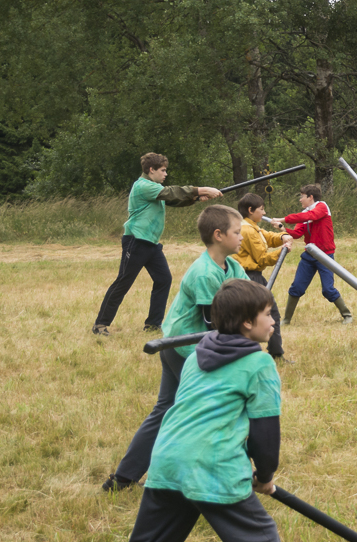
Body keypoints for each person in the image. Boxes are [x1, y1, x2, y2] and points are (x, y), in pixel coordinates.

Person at [64, 279, 303, 542]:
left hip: (167, 464)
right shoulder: (259, 364)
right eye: (267, 314)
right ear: (246, 323)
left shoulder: (195, 358)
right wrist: (265, 476)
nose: (273, 320)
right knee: (261, 539)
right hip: (213, 469)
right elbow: (265, 435)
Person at [101, 205, 248, 492]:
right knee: (211, 412)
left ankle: (123, 478)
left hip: (188, 347)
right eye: (237, 232)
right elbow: (215, 325)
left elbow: (247, 299)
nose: (242, 237)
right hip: (186, 350)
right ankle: (207, 478)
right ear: (218, 235)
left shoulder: (233, 267)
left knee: (165, 410)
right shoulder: (204, 273)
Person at [92, 152, 220, 335]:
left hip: (151, 244)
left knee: (163, 280)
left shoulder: (154, 188)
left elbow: (172, 199)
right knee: (123, 282)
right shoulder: (143, 186)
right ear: (151, 170)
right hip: (136, 241)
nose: (166, 174)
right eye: (163, 170)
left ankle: (153, 324)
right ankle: (100, 325)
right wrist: (201, 189)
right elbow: (171, 192)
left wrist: (197, 198)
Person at [233, 193, 294, 360]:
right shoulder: (247, 230)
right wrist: (282, 251)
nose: (264, 212)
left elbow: (267, 237)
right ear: (250, 210)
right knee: (269, 314)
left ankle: (273, 352)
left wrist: (282, 236)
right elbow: (262, 259)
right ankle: (273, 354)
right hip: (250, 278)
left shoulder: (251, 226)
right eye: (261, 209)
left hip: (251, 277)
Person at [280, 183, 352, 325]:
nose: (300, 199)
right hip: (309, 256)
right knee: (296, 287)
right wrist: (282, 228)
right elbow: (297, 234)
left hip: (325, 255)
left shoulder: (322, 207)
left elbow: (312, 215)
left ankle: (347, 315)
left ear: (310, 197)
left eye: (302, 196)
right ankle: (286, 320)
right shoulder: (305, 214)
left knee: (328, 290)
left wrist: (283, 219)